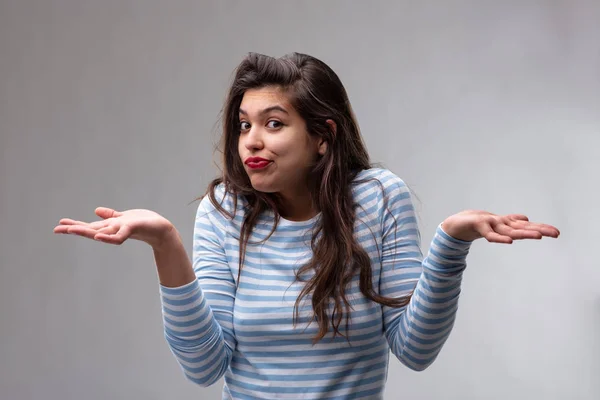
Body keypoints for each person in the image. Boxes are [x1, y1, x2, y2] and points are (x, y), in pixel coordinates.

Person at [54, 52, 560, 399]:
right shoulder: (224, 210)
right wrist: (165, 243)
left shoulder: (380, 197)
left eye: (273, 123)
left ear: (322, 136)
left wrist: (451, 241)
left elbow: (415, 350)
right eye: (243, 124)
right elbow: (204, 367)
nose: (251, 140)